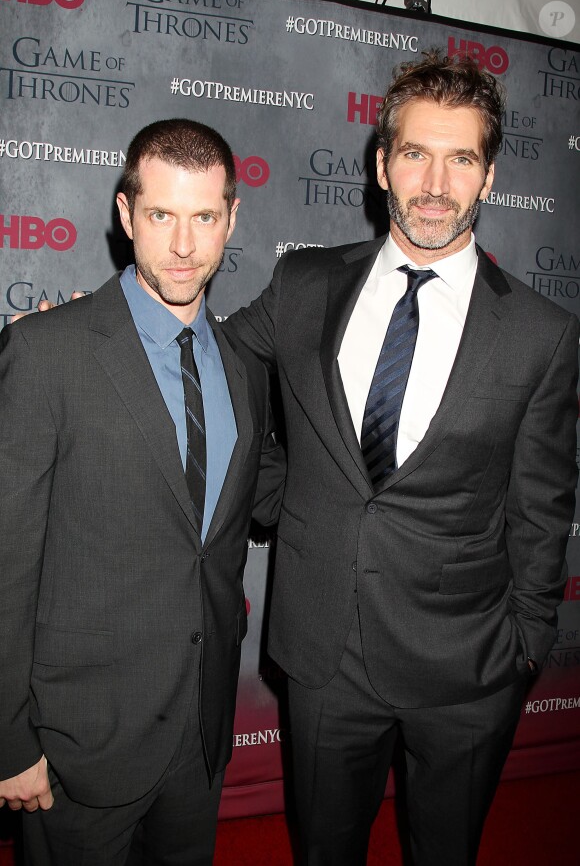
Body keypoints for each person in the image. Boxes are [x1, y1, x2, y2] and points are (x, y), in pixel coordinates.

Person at [225, 52, 579, 864]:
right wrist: (277, 488)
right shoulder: (305, 282)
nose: (435, 181)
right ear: (382, 164)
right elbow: (216, 361)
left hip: (469, 666)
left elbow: (541, 507)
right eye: (416, 153)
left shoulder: (541, 333)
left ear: (489, 178)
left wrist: (524, 646)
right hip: (324, 654)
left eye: (461, 159)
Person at [0, 119, 285, 865]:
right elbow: (5, 563)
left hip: (200, 733)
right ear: (126, 216)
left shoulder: (244, 368)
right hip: (78, 744)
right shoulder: (45, 352)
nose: (184, 246)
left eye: (204, 218)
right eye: (161, 215)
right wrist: (6, 738)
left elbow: (251, 508)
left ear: (232, 219)